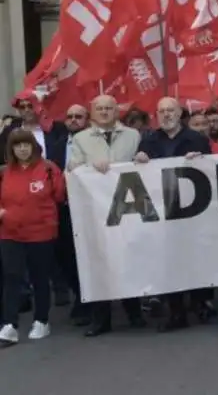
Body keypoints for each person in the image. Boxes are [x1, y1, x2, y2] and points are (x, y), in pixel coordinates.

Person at [68, 95, 146, 336]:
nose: (104, 112)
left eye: (109, 108)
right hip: (96, 211)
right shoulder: (80, 139)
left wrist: (142, 159)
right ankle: (101, 319)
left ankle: (134, 312)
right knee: (100, 262)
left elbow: (144, 162)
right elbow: (72, 168)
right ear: (92, 113)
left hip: (127, 209)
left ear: (116, 111)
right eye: (99, 108)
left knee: (128, 259)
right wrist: (91, 166)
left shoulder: (134, 136)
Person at [135, 97, 213, 332]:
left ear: (180, 113)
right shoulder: (149, 141)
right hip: (163, 212)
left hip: (192, 210)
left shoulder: (196, 139)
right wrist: (138, 160)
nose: (166, 115)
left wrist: (200, 160)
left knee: (194, 257)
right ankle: (176, 311)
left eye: (171, 110)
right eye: (162, 111)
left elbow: (211, 169)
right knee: (169, 261)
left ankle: (200, 302)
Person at [0, 129, 66, 346]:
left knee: (40, 278)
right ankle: (9, 324)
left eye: (26, 144)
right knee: (12, 278)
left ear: (34, 146)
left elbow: (60, 196)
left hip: (41, 233)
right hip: (10, 233)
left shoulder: (48, 169)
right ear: (11, 149)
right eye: (17, 145)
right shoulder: (4, 172)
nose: (22, 149)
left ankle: (41, 320)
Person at [51, 104, 90, 323]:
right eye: (70, 116)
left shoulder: (97, 142)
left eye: (79, 116)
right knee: (65, 256)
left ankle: (90, 301)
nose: (73, 119)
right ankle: (79, 294)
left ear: (87, 120)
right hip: (64, 208)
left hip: (90, 208)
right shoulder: (57, 146)